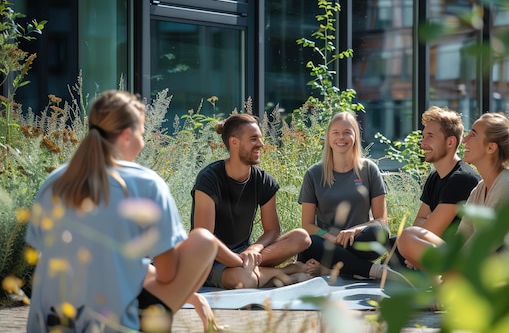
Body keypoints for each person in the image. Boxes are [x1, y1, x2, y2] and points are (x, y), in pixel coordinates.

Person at [26, 90, 221, 332]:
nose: (143, 141)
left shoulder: (54, 181)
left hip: (47, 322)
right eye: (142, 133)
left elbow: (54, 254)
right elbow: (167, 274)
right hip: (109, 324)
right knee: (203, 241)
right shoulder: (146, 183)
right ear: (127, 135)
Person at [398, 112, 509, 296]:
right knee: (408, 237)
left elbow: (482, 248)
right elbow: (462, 240)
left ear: (491, 148)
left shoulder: (508, 187)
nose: (464, 141)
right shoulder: (479, 190)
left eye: (473, 134)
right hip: (488, 264)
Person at [191, 113, 312, 289]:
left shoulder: (263, 180)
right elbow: (205, 239)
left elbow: (272, 230)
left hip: (244, 254)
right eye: (254, 139)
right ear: (234, 142)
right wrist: (237, 262)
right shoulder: (209, 179)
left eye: (260, 139)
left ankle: (262, 272)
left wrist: (253, 250)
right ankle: (284, 273)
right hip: (211, 259)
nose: (261, 144)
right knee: (245, 280)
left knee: (302, 237)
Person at [297, 111, 393, 280]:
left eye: (347, 132)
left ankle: (329, 267)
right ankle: (375, 271)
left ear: (355, 136)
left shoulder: (369, 169)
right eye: (336, 132)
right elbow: (307, 225)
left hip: (358, 242)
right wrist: (330, 237)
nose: (341, 137)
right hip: (325, 243)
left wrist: (356, 230)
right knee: (308, 240)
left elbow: (381, 219)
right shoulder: (314, 173)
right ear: (328, 137)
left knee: (381, 232)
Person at [388, 106, 481, 270]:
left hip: (454, 262)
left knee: (396, 250)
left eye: (430, 136)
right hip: (431, 252)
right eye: (423, 136)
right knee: (382, 242)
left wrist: (427, 222)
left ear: (450, 142)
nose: (423, 143)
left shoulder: (462, 179)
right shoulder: (434, 177)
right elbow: (419, 225)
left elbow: (429, 231)